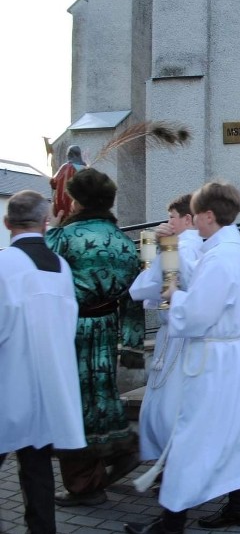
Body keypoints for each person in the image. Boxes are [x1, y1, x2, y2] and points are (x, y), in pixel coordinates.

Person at [124, 181, 240, 534]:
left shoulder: (221, 255)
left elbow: (197, 313)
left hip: (211, 356)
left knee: (193, 437)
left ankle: (171, 524)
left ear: (207, 215)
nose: (189, 225)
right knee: (227, 433)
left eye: (192, 217)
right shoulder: (223, 247)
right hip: (221, 354)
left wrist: (173, 296)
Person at [45, 168, 143, 507]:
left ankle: (84, 484)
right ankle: (121, 448)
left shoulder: (64, 237)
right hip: (107, 327)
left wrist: (52, 226)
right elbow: (133, 297)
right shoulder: (124, 242)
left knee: (72, 400)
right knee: (102, 393)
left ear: (76, 199)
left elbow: (40, 276)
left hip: (71, 329)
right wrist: (131, 342)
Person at [0, 190, 85, 534]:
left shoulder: (4, 264)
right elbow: (68, 323)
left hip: (9, 379)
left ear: (7, 223)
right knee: (36, 466)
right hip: (48, 382)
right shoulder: (61, 267)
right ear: (46, 222)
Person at [129, 194, 203, 470]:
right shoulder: (182, 246)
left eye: (172, 217)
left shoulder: (184, 248)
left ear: (187, 219)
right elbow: (156, 291)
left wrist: (161, 248)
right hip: (173, 331)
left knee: (170, 403)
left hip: (180, 335)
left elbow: (146, 288)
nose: (166, 222)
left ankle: (174, 462)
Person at [49, 144, 87, 219]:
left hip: (62, 208)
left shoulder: (65, 167)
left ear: (70, 154)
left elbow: (53, 183)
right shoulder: (85, 169)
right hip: (78, 209)